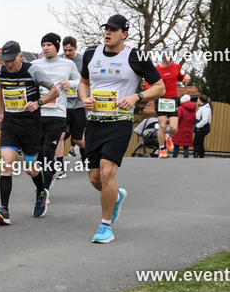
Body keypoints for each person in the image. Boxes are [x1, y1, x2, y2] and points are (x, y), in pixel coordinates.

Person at [79, 14, 163, 244]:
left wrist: (137, 96)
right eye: (106, 29)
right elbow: (83, 82)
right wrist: (84, 98)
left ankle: (105, 226)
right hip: (95, 122)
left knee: (107, 172)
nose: (108, 33)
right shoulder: (91, 53)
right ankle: (115, 197)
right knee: (95, 178)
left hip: (120, 122)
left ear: (124, 34)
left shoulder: (136, 56)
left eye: (113, 30)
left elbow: (160, 87)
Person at [0, 40, 58, 225]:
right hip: (11, 123)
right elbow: (1, 89)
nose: (9, 64)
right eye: (5, 61)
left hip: (30, 125)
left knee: (30, 168)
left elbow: (55, 91)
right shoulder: (1, 72)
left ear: (21, 56)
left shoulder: (33, 70)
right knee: (7, 162)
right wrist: (1, 113)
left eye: (12, 60)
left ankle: (42, 192)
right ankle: (4, 210)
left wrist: (38, 103)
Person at [30, 33, 80, 192]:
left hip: (57, 114)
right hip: (37, 113)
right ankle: (48, 175)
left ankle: (44, 191)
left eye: (49, 45)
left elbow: (81, 82)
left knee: (48, 151)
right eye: (43, 45)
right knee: (38, 153)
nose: (45, 48)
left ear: (56, 46)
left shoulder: (67, 64)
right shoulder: (34, 64)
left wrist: (70, 83)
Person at [147, 48, 191, 158]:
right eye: (169, 55)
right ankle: (162, 149)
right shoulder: (156, 69)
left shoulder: (176, 67)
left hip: (172, 100)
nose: (170, 58)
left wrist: (186, 76)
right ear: (163, 56)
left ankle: (169, 137)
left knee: (174, 127)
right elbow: (149, 84)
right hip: (161, 99)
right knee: (162, 125)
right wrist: (151, 91)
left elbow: (179, 77)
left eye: (172, 55)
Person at [62, 36, 88, 168]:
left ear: (75, 48)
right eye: (65, 50)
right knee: (60, 135)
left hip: (78, 104)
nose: (67, 54)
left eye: (70, 51)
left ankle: (84, 151)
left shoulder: (83, 60)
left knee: (77, 138)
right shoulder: (60, 60)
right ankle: (58, 165)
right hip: (62, 104)